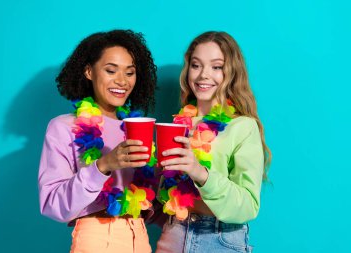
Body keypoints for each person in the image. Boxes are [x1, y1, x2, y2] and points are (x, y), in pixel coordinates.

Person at [38, 29, 157, 253]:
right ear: (89, 71)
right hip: (98, 236)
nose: (122, 81)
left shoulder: (136, 128)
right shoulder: (63, 127)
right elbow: (52, 205)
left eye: (130, 73)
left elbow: (152, 202)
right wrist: (103, 166)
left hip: (139, 236)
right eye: (111, 70)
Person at [155, 31, 272, 253]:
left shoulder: (243, 127)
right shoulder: (179, 124)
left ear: (232, 72)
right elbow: (168, 195)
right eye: (196, 65)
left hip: (219, 239)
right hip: (174, 234)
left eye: (216, 67)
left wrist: (201, 173)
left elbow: (249, 205)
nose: (203, 75)